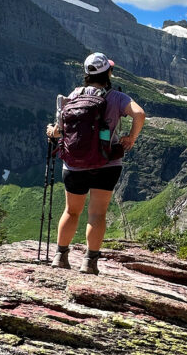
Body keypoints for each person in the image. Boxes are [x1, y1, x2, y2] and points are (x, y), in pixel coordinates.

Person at [46, 52, 145, 274]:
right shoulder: (117, 98)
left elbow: (59, 129)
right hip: (107, 163)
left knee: (71, 211)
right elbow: (140, 114)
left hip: (74, 164)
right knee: (97, 213)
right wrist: (131, 138)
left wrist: (51, 132)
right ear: (108, 73)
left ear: (86, 74)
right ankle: (89, 263)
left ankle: (60, 257)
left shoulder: (73, 95)